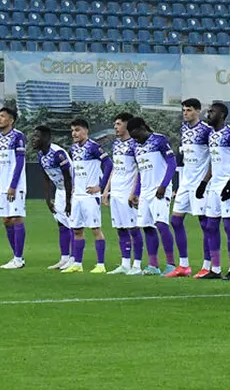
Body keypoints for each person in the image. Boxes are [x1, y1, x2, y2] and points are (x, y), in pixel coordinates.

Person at [196, 102, 230, 280]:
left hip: (227, 184)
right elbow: (213, 161)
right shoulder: (211, 135)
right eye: (208, 111)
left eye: (212, 112)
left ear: (222, 115)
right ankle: (215, 269)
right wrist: (204, 182)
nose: (208, 114)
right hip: (214, 185)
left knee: (228, 225)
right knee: (210, 225)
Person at [127, 116, 178, 276]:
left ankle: (171, 264)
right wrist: (136, 192)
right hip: (146, 192)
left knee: (161, 224)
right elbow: (142, 171)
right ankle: (153, 265)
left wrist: (164, 185)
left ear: (143, 127)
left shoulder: (159, 140)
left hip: (160, 189)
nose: (135, 138)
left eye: (136, 134)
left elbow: (172, 163)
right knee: (147, 227)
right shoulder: (136, 146)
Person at [167, 98, 210, 278]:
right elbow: (182, 157)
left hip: (200, 183)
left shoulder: (206, 131)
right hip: (185, 181)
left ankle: (208, 265)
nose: (185, 113)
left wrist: (206, 181)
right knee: (176, 221)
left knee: (206, 224)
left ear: (198, 111)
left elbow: (213, 157)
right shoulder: (184, 129)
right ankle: (184, 265)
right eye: (184, 110)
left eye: (189, 110)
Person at [62, 118, 111, 273]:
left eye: (77, 130)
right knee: (77, 229)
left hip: (90, 196)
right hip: (78, 195)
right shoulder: (73, 149)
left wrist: (100, 186)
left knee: (95, 229)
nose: (74, 133)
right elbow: (76, 169)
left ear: (85, 131)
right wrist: (75, 186)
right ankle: (77, 263)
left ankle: (101, 265)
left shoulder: (94, 147)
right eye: (72, 130)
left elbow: (109, 164)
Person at [103, 112, 144, 275]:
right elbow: (114, 168)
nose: (115, 127)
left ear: (127, 125)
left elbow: (140, 169)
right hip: (116, 192)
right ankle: (125, 263)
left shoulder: (135, 144)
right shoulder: (116, 144)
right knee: (120, 228)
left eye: (118, 123)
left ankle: (137, 265)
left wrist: (134, 192)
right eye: (115, 124)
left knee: (133, 228)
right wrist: (107, 190)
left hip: (128, 191)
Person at [32, 125, 74, 270]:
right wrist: (48, 198)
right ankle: (64, 258)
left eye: (37, 136)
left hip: (73, 190)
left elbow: (68, 178)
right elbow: (46, 177)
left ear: (46, 138)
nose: (33, 139)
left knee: (72, 224)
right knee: (61, 223)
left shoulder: (58, 153)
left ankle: (74, 259)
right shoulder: (41, 155)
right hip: (60, 190)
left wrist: (69, 201)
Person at [0, 106, 28, 269]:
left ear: (11, 120)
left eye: (2, 116)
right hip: (3, 184)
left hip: (16, 184)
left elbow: (20, 162)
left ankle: (19, 257)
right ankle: (17, 257)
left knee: (16, 217)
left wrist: (13, 185)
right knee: (6, 220)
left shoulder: (18, 136)